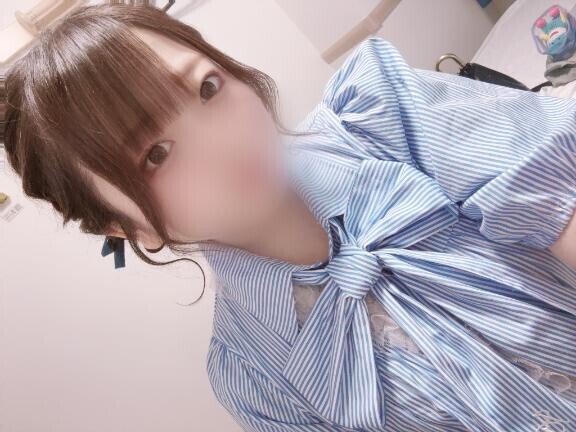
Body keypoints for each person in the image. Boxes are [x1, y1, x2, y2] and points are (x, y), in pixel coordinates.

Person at [2, 4, 575, 431]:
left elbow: (561, 205)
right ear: (126, 228)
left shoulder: (385, 111)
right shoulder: (252, 377)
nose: (222, 143)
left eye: (207, 88)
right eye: (156, 154)